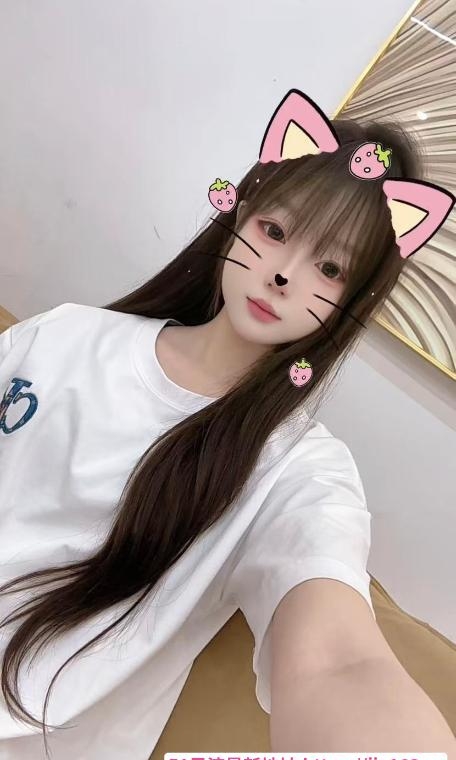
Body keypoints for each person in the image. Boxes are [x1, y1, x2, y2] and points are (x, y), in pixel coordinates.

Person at [0, 89, 454, 759]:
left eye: (330, 268)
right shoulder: (67, 334)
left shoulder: (298, 471)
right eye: (276, 232)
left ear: (352, 298)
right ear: (240, 212)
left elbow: (339, 663)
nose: (283, 275)